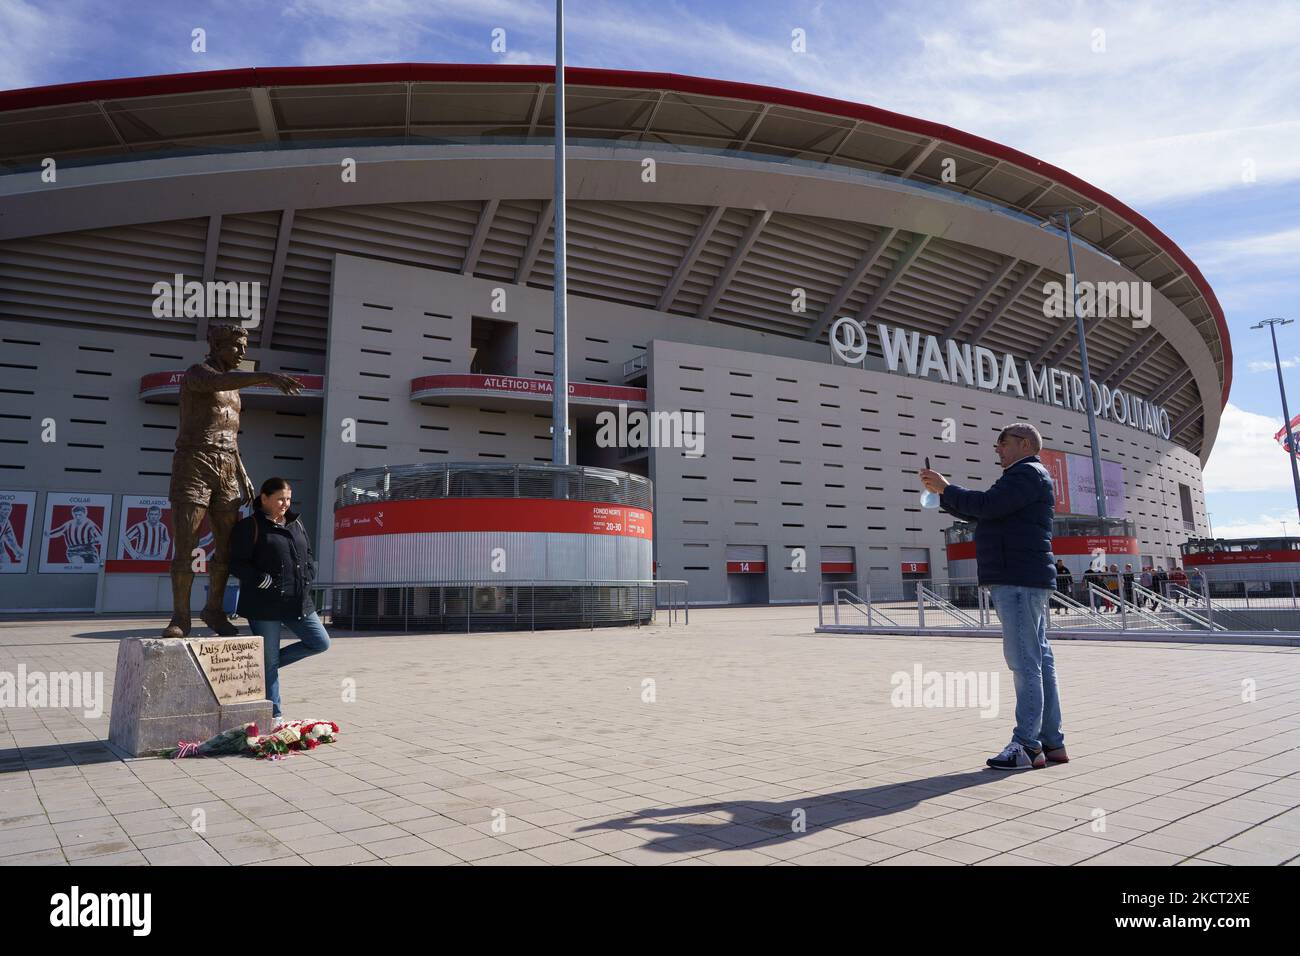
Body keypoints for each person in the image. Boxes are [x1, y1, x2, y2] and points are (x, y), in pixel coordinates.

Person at [920, 422, 1067, 770]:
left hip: (1017, 578)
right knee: (1039, 661)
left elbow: (987, 505)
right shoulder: (1025, 476)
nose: (998, 450)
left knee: (1024, 663)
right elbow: (986, 509)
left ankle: (1027, 746)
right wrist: (944, 493)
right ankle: (1050, 741)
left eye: (1002, 443)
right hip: (1023, 577)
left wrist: (947, 487)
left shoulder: (1027, 473)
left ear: (1025, 443)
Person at [229, 477, 329, 722]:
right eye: (280, 499)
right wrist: (258, 577)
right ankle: (275, 717)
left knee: (320, 642)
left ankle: (261, 669)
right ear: (264, 498)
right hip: (264, 606)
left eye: (288, 498)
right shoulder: (250, 526)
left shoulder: (296, 523)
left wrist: (310, 572)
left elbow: (307, 552)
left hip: (298, 602)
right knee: (269, 661)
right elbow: (236, 562)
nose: (285, 503)